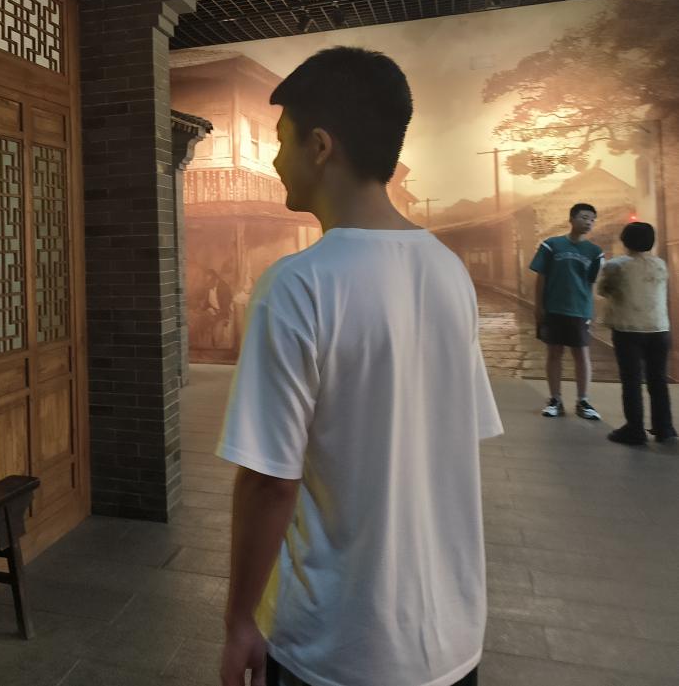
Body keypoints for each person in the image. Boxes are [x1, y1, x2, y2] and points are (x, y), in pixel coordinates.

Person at [218, 47, 501, 686]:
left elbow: (269, 482)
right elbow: (457, 435)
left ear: (320, 146)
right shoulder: (448, 271)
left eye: (281, 141)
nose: (274, 160)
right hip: (453, 640)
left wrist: (239, 621)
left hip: (337, 646)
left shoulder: (297, 285)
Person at [596, 221, 675, 445]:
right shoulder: (660, 264)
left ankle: (635, 429)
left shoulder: (616, 265)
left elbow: (603, 290)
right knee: (658, 380)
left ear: (625, 241)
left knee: (631, 380)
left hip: (628, 329)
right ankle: (664, 428)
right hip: (659, 328)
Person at [529, 204, 603, 420]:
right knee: (554, 353)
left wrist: (591, 311)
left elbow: (591, 284)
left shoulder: (595, 252)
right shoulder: (551, 245)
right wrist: (538, 306)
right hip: (554, 308)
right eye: (584, 217)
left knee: (581, 355)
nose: (588, 222)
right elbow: (541, 277)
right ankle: (555, 399)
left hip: (579, 310)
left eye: (592, 219)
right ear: (571, 219)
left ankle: (583, 401)